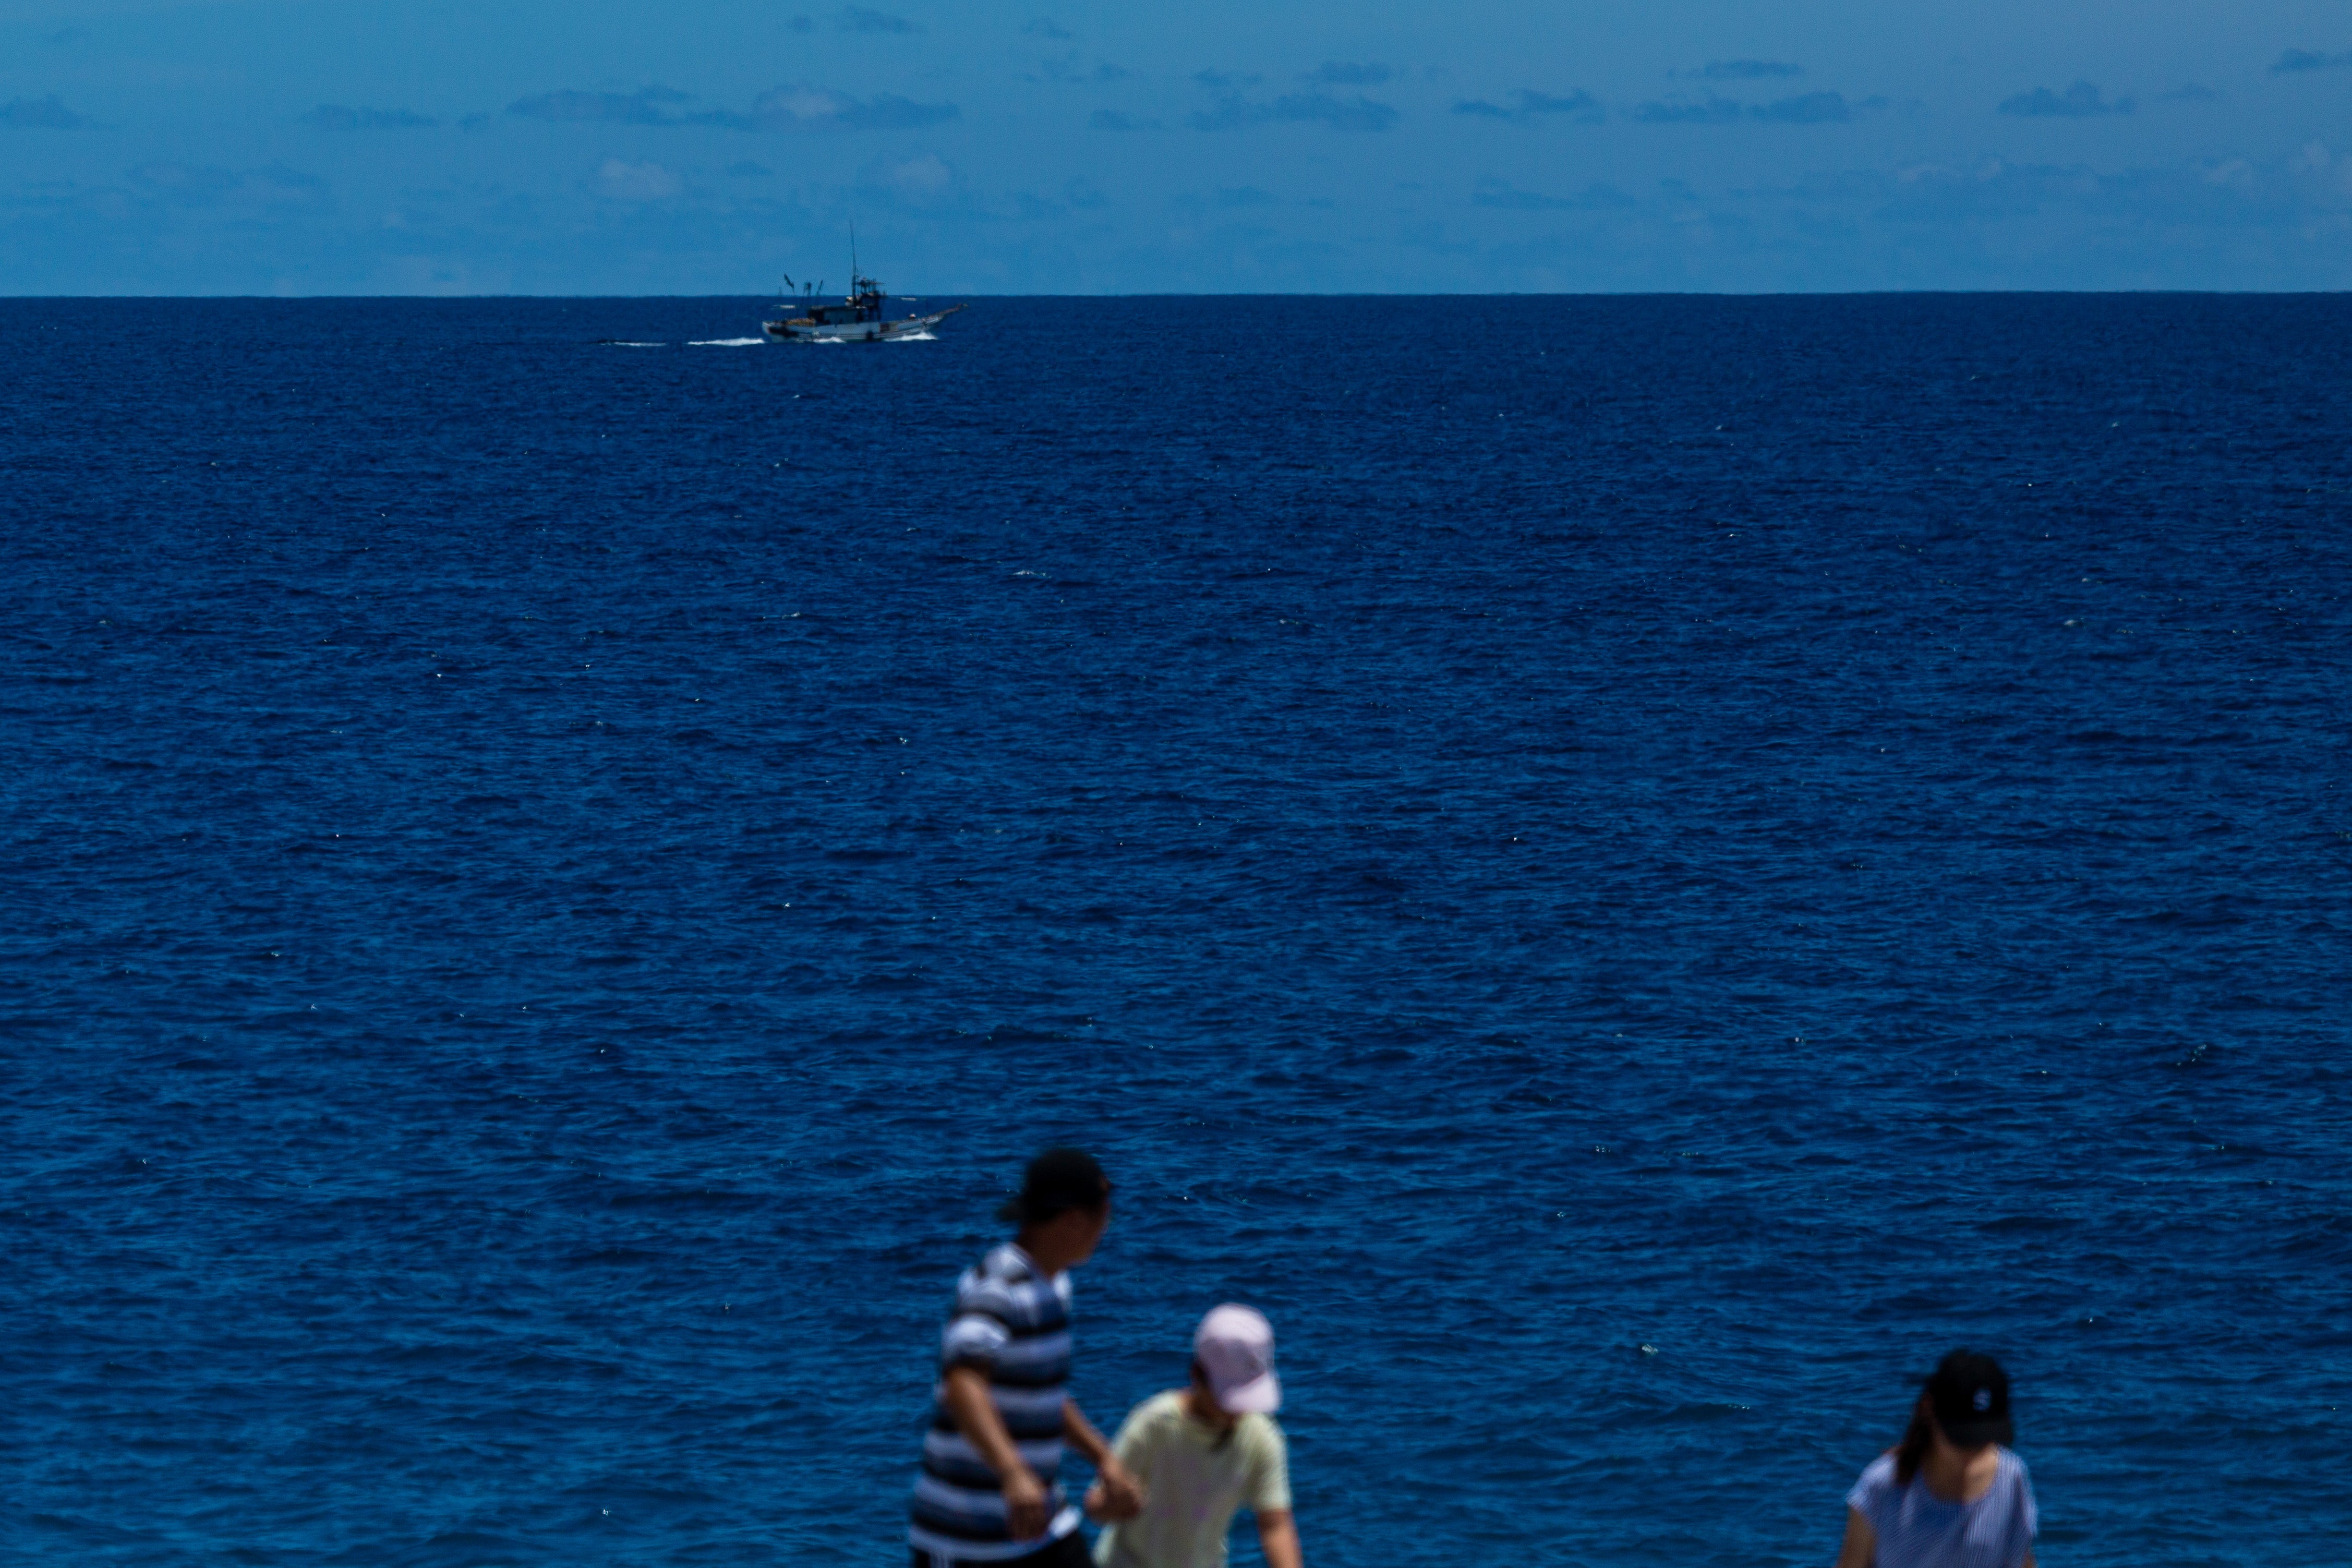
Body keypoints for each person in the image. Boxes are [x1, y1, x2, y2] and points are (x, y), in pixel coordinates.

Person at [909, 1149, 1147, 1568]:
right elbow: (962, 1384)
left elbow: (1043, 1398)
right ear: (1073, 1218)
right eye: (1104, 1214)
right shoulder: (999, 1287)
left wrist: (1104, 1459)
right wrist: (1012, 1472)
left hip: (1042, 1527)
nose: (1107, 1227)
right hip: (966, 1539)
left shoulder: (1054, 1289)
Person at [1088, 1304, 1302, 1568]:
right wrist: (1113, 1506)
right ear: (1196, 1376)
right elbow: (1095, 1505)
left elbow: (1275, 1526)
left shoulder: (1261, 1438)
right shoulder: (1156, 1423)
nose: (1237, 1412)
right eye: (1227, 1398)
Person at [1834, 1350, 2038, 1568]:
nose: (1971, 1451)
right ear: (1929, 1410)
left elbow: (2022, 1562)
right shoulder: (1882, 1484)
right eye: (1962, 1438)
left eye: (1983, 1439)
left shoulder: (2011, 1477)